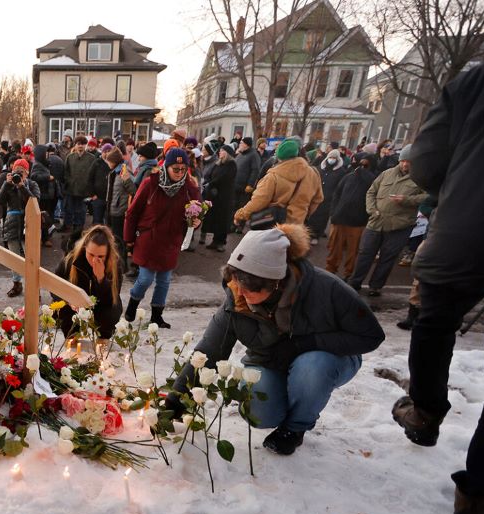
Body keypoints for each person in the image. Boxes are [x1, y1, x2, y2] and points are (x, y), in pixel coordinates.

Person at [391, 40, 484, 514]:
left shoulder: (477, 81)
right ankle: (478, 496)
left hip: (463, 233)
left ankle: (425, 408)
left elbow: (424, 161)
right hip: (468, 232)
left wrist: (458, 192)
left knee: (433, 321)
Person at [165, 225, 385, 455]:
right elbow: (209, 350)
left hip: (326, 361)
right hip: (271, 361)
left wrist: (306, 344)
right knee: (259, 412)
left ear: (276, 283)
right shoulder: (237, 298)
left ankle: (294, 428)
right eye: (236, 281)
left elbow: (371, 336)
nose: (240, 291)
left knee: (312, 369)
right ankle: (292, 397)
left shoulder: (326, 289)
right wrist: (176, 401)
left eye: (249, 288)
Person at [123, 148, 201, 329]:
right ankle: (133, 303)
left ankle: (157, 316)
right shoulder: (150, 184)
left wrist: (196, 222)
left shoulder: (190, 189)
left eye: (183, 169)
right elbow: (133, 212)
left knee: (164, 281)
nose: (180, 173)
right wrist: (128, 239)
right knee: (145, 279)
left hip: (171, 241)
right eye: (176, 169)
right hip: (149, 239)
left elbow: (196, 214)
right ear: (166, 167)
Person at [347, 145, 426, 296]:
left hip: (400, 225)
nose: (404, 164)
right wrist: (371, 210)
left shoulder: (420, 178)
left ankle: (375, 286)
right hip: (376, 221)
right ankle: (355, 282)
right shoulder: (386, 173)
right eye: (402, 160)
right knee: (365, 253)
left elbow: (427, 196)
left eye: (408, 161)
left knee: (387, 258)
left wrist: (407, 200)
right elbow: (371, 192)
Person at [53, 225, 123, 340]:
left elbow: (112, 298)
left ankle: (103, 338)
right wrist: (68, 300)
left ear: (108, 254)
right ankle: (72, 338)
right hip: (75, 305)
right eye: (91, 254)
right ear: (85, 247)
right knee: (63, 308)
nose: (95, 259)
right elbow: (55, 285)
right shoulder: (72, 259)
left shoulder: (115, 265)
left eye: (101, 256)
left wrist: (101, 279)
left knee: (112, 312)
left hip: (100, 304)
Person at [234, 139, 323, 228]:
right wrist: (304, 214)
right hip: (297, 226)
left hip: (273, 225)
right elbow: (317, 199)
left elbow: (259, 201)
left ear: (279, 157)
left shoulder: (273, 176)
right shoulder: (313, 173)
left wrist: (240, 215)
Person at [325, 152, 378, 280]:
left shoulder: (372, 179)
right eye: (360, 162)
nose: (360, 165)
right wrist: (333, 212)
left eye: (365, 162)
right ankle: (330, 271)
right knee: (334, 248)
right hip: (339, 218)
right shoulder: (348, 177)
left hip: (357, 222)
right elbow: (337, 194)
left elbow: (373, 195)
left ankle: (347, 274)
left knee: (352, 251)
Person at [0, 158, 40, 297]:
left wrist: (22, 186)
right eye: (16, 171)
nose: (19, 175)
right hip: (12, 223)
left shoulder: (32, 184)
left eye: (22, 172)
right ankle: (17, 284)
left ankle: (34, 287)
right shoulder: (8, 185)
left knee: (31, 257)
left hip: (29, 223)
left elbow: (34, 200)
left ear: (27, 173)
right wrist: (6, 184)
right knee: (14, 258)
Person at [63, 136, 98, 248]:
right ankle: (73, 232)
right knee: (71, 209)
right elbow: (66, 172)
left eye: (83, 144)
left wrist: (91, 189)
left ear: (85, 145)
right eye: (78, 143)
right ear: (75, 145)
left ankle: (79, 232)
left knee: (81, 211)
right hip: (72, 189)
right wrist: (69, 181)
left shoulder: (91, 158)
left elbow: (94, 175)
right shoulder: (70, 157)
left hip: (84, 190)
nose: (80, 146)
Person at [306, 148, 346, 244]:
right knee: (311, 215)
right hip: (315, 196)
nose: (332, 159)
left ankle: (316, 235)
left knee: (322, 218)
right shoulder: (320, 168)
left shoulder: (341, 172)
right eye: (330, 157)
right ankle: (308, 234)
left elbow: (339, 186)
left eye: (334, 158)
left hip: (329, 198)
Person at [202, 144, 238, 252]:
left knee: (222, 220)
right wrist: (208, 182)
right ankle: (214, 241)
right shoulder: (217, 164)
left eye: (222, 151)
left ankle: (221, 242)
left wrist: (211, 184)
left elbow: (224, 178)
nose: (219, 152)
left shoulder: (232, 165)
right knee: (215, 219)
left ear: (227, 153)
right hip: (214, 196)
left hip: (224, 197)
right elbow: (209, 174)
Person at [233, 137, 261, 217]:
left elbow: (255, 170)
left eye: (241, 143)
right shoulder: (240, 154)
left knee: (240, 207)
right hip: (235, 186)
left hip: (244, 188)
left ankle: (238, 226)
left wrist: (250, 184)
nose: (239, 144)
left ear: (246, 145)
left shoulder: (253, 155)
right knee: (233, 206)